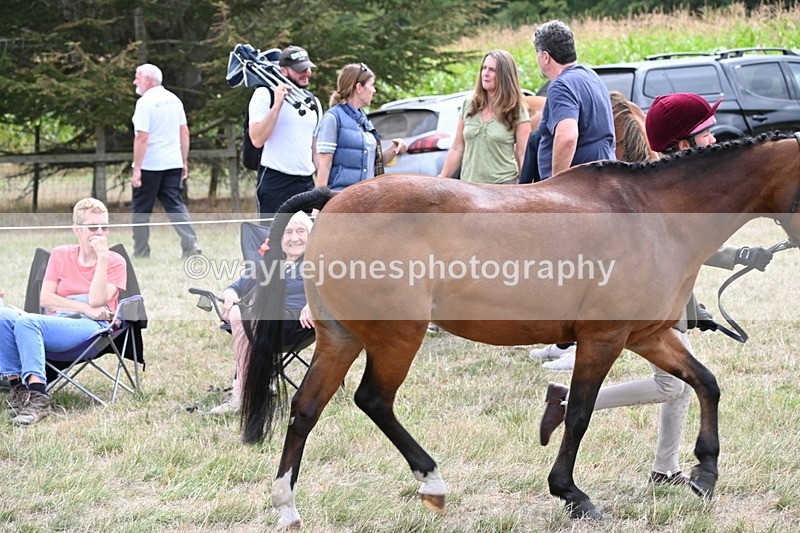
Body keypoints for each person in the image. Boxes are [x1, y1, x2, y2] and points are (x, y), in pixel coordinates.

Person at [538, 92, 774, 486]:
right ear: (683, 144)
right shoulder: (660, 188)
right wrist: (737, 255)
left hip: (665, 295)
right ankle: (567, 403)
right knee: (675, 383)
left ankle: (664, 468)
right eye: (705, 133)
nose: (713, 139)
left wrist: (740, 255)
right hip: (647, 298)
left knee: (678, 386)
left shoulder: (673, 181)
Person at [527, 20, 617, 363]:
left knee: (576, 272)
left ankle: (580, 348)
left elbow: (566, 135)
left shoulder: (562, 86)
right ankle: (562, 343)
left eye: (537, 54)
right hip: (600, 182)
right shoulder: (590, 76)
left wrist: (555, 188)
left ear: (545, 56)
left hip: (579, 189)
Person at [0, 198, 127, 426]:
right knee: (3, 316)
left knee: (28, 323)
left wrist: (103, 258)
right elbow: (46, 298)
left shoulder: (115, 261)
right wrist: (84, 307)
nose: (99, 232)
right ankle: (18, 390)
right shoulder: (60, 254)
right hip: (58, 321)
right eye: (92, 227)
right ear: (77, 229)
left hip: (92, 328)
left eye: (104, 226)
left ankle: (38, 396)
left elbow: (98, 299)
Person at [208, 211, 315, 414]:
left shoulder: (319, 262)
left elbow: (336, 292)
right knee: (241, 313)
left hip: (299, 327)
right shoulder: (268, 263)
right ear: (278, 238)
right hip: (264, 324)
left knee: (240, 315)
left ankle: (241, 395)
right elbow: (235, 287)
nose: (294, 238)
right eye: (288, 232)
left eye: (301, 231)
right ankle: (255, 384)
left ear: (310, 235)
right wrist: (229, 295)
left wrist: (314, 303)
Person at [131, 63, 201, 259]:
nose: (134, 81)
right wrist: (183, 160)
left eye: (137, 77)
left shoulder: (145, 103)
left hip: (150, 165)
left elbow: (142, 137)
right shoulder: (174, 100)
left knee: (141, 209)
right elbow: (184, 131)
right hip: (172, 163)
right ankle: (191, 244)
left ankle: (141, 251)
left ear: (148, 80)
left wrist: (137, 168)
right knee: (175, 205)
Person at [249, 46, 322, 219]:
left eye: (308, 68)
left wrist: (322, 182)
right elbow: (257, 139)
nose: (306, 73)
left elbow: (314, 148)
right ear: (284, 70)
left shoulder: (313, 101)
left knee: (307, 240)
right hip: (276, 181)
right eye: (299, 70)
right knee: (272, 242)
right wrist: (277, 105)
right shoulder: (264, 94)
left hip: (306, 182)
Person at [438, 50, 531, 183]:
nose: (485, 74)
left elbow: (524, 154)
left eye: (492, 70)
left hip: (503, 188)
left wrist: (526, 189)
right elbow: (457, 148)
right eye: (484, 68)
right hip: (468, 188)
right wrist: (442, 179)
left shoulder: (516, 110)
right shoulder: (469, 105)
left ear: (504, 76)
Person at [315, 63, 407, 190]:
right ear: (359, 88)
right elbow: (324, 164)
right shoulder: (332, 117)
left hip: (365, 199)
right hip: (340, 199)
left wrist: (394, 148)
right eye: (371, 85)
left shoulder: (365, 119)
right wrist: (318, 204)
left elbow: (373, 165)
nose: (374, 90)